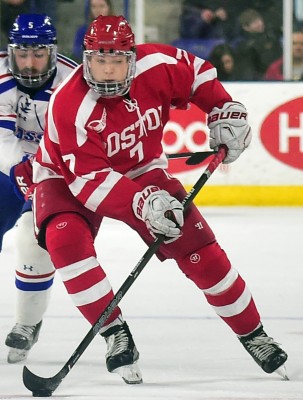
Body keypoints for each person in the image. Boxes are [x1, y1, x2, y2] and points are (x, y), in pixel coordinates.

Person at [30, 15, 288, 384]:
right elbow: (89, 181)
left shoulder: (158, 64)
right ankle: (114, 332)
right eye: (98, 61)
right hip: (66, 175)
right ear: (86, 60)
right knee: (64, 239)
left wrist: (223, 109)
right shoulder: (69, 104)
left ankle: (254, 334)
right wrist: (143, 203)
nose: (106, 72)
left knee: (200, 251)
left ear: (132, 59)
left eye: (116, 61)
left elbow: (199, 74)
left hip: (140, 167)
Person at [0, 13, 78, 363]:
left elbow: (80, 139)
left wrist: (47, 168)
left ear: (52, 52)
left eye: (38, 54)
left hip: (53, 170)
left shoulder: (73, 81)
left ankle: (27, 324)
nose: (29, 64)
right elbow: (1, 137)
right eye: (22, 54)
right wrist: (19, 167)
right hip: (9, 165)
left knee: (31, 242)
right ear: (11, 52)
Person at [235, 8, 282, 80]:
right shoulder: (244, 47)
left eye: (259, 20)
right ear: (246, 27)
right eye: (254, 22)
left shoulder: (271, 38)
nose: (259, 24)